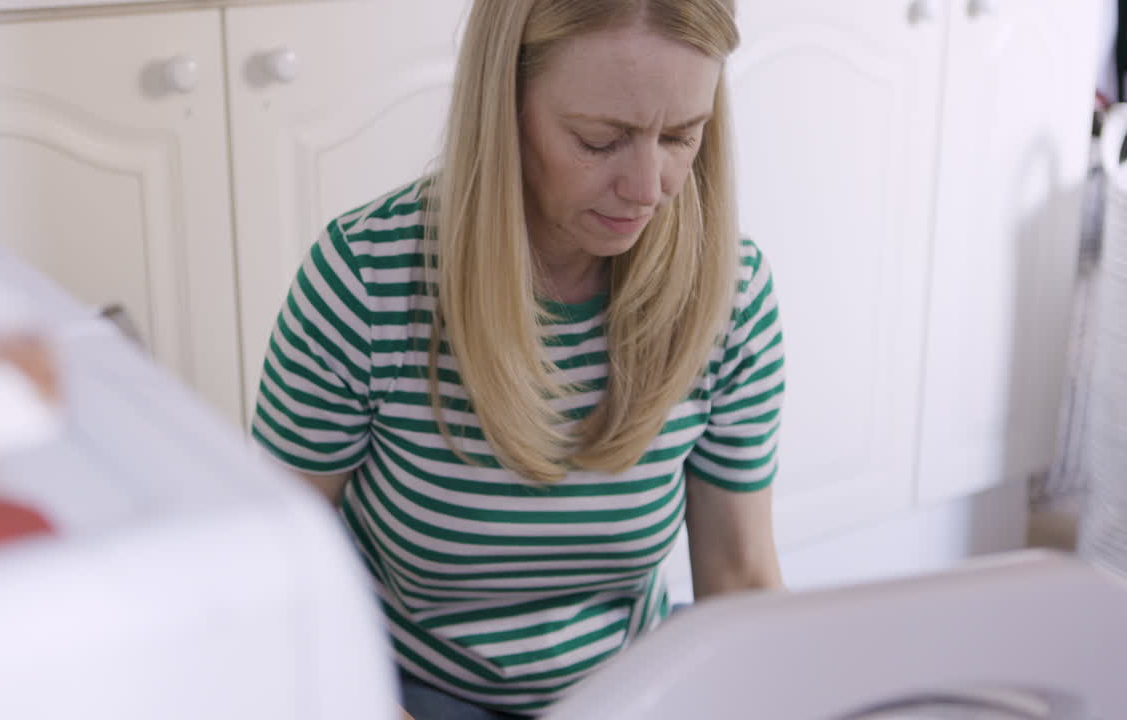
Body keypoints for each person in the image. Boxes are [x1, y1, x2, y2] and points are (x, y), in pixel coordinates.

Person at [250, 0, 785, 717]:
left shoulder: (729, 291)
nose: (648, 187)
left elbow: (740, 572)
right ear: (505, 104)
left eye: (682, 137)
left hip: (626, 685)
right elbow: (277, 578)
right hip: (409, 690)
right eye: (600, 140)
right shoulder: (365, 281)